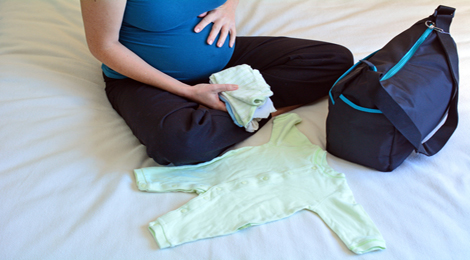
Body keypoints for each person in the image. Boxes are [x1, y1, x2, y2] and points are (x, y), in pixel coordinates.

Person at [80, 0, 353, 166]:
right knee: (180, 144)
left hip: (223, 53)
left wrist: (228, 7)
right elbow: (104, 46)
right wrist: (188, 91)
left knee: (333, 60)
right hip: (142, 77)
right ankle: (255, 109)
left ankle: (243, 109)